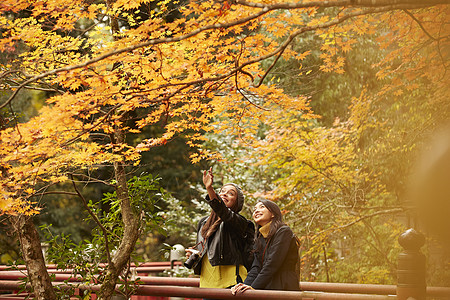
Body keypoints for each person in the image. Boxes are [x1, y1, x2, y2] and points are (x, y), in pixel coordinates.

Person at [185, 167, 255, 292]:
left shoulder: (239, 222)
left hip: (231, 282)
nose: (224, 194)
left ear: (237, 202)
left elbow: (224, 213)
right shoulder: (204, 222)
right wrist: (195, 254)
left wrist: (209, 189)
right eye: (222, 191)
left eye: (231, 193)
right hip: (206, 282)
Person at [231, 199, 300, 295]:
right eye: (255, 209)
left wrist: (254, 287)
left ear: (273, 214)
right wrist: (244, 285)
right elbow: (256, 267)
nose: (256, 211)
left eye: (262, 207)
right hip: (267, 285)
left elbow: (272, 263)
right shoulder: (260, 237)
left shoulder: (283, 232)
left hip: (283, 286)